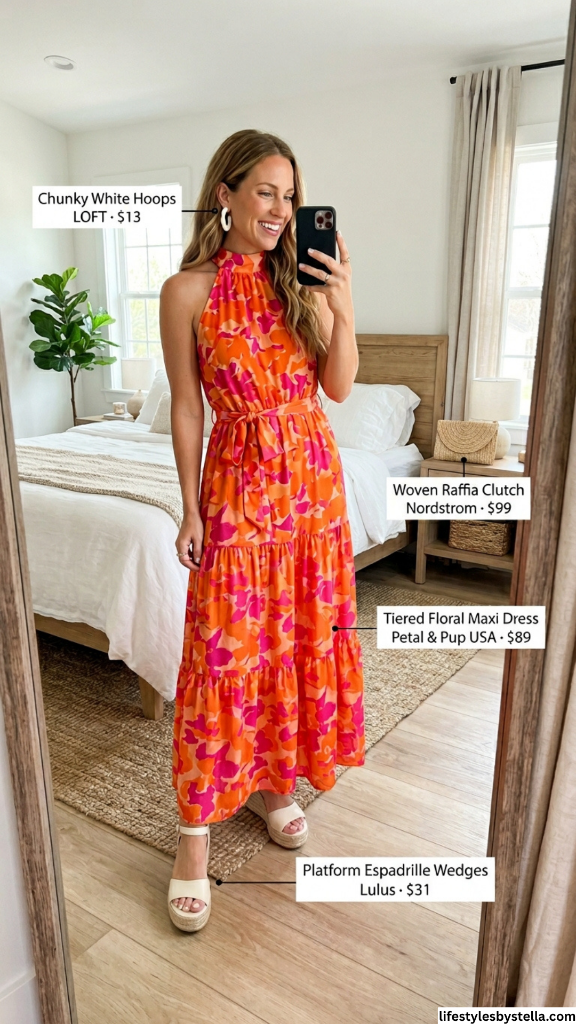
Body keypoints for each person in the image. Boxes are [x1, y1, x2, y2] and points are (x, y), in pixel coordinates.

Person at [160, 128, 365, 932]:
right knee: (222, 652)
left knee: (291, 642)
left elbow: (339, 388)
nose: (281, 209)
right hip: (238, 489)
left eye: (291, 195)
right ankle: (193, 836)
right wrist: (189, 506)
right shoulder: (188, 291)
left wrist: (342, 301)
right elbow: (188, 408)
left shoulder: (303, 282)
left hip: (312, 492)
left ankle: (274, 782)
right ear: (227, 195)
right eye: (266, 192)